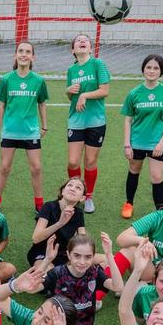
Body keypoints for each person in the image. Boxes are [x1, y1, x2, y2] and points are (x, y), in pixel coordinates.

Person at [37, 232, 122, 325]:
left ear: (93, 257)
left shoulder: (94, 272)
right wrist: (47, 259)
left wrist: (109, 255)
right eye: (77, 255)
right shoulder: (58, 273)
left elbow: (118, 287)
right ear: (69, 255)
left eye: (88, 257)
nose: (82, 262)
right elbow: (32, 286)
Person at [99, 188, 163, 300]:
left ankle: (142, 289)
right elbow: (121, 239)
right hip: (150, 268)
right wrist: (142, 241)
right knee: (130, 250)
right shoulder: (157, 216)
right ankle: (95, 296)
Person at [0, 41, 49, 213]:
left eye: (28, 52)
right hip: (10, 131)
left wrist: (44, 126)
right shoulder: (7, 79)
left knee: (36, 167)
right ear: (15, 55)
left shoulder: (39, 80)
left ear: (33, 57)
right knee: (4, 167)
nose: (24, 54)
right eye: (21, 51)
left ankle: (39, 203)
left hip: (30, 131)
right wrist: (3, 127)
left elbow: (42, 104)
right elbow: (2, 104)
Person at [120, 54, 163, 218]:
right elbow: (128, 120)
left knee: (157, 176)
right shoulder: (134, 93)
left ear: (161, 71)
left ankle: (160, 211)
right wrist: (127, 144)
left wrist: (162, 142)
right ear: (143, 69)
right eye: (148, 67)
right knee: (134, 170)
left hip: (157, 143)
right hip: (136, 142)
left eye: (156, 68)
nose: (151, 71)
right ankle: (129, 203)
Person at [65, 33, 110, 214]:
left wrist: (85, 95)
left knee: (90, 161)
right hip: (76, 120)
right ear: (73, 50)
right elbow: (71, 96)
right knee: (73, 161)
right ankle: (74, 193)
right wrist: (69, 90)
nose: (82, 41)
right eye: (78, 40)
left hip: (95, 121)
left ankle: (88, 196)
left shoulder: (98, 64)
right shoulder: (71, 70)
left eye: (86, 40)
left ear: (90, 48)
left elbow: (105, 90)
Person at [27, 177, 86, 270]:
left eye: (78, 188)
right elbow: (36, 238)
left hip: (65, 255)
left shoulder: (78, 213)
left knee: (104, 260)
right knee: (48, 272)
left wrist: (80, 257)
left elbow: (84, 240)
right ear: (62, 191)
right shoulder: (48, 207)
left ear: (82, 198)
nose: (73, 188)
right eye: (70, 185)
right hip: (43, 253)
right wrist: (60, 223)